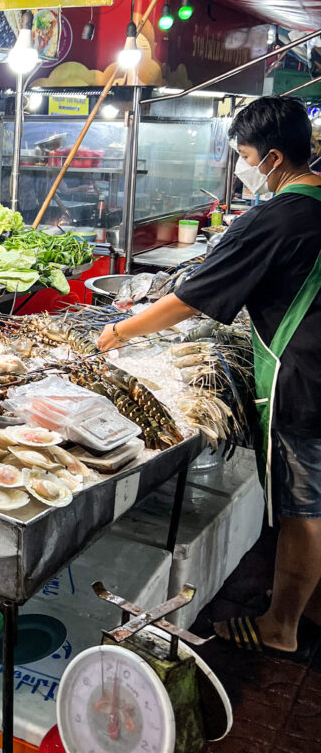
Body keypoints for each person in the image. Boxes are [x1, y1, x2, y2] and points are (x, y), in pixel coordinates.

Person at [97, 96, 321, 660]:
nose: (242, 168)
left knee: (303, 510)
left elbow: (192, 298)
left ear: (271, 158)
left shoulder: (281, 215)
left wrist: (120, 333)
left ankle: (282, 626)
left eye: (244, 157)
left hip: (303, 380)